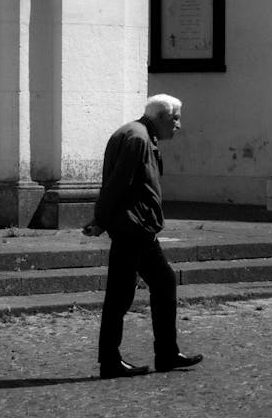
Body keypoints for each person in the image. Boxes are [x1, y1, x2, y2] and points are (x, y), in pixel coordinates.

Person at [83, 94, 203, 379]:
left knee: (161, 282)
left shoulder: (137, 134)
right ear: (161, 117)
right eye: (175, 119)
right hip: (133, 228)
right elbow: (116, 184)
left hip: (137, 226)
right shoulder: (138, 138)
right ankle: (114, 360)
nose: (179, 125)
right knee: (121, 295)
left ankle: (166, 353)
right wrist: (101, 220)